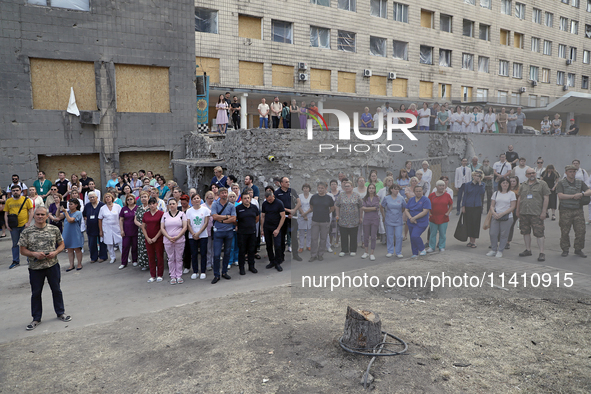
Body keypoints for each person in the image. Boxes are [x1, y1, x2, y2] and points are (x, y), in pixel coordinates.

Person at [18, 206, 71, 331]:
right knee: (36, 293)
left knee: (56, 290)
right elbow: (22, 250)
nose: (40, 216)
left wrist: (56, 252)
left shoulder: (54, 229)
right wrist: (34, 254)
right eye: (38, 214)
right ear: (34, 216)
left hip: (52, 265)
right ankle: (36, 318)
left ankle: (60, 313)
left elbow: (62, 244)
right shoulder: (27, 232)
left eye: (42, 214)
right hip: (35, 267)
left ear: (47, 216)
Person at [516, 168, 550, 261]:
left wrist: (544, 211)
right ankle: (528, 249)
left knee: (539, 233)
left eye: (533, 173)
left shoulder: (542, 184)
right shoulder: (523, 185)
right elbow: (519, 198)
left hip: (536, 213)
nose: (532, 175)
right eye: (529, 173)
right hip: (524, 212)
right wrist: (518, 210)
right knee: (525, 232)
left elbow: (546, 198)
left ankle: (541, 252)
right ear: (526, 175)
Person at [557, 165, 591, 258]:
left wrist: (582, 194)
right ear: (566, 172)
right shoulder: (561, 183)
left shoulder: (580, 182)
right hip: (565, 210)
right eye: (570, 171)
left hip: (578, 210)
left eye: (574, 171)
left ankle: (578, 249)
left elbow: (589, 191)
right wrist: (573, 196)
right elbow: (560, 195)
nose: (572, 173)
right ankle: (565, 249)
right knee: (565, 231)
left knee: (581, 231)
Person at [486, 177, 516, 258]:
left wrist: (503, 213)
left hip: (507, 216)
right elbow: (492, 205)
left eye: (506, 183)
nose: (505, 184)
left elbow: (512, 206)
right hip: (496, 216)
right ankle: (493, 249)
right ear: (500, 184)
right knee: (493, 233)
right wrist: (494, 213)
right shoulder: (496, 193)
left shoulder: (511, 194)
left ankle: (500, 250)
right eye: (503, 183)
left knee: (504, 234)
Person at [4, 185, 33, 269]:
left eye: (17, 190)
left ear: (21, 191)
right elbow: (6, 213)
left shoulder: (26, 200)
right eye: (13, 191)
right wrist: (7, 224)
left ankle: (29, 259)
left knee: (27, 243)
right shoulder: (8, 201)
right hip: (13, 226)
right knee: (15, 244)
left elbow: (31, 211)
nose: (15, 192)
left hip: (24, 225)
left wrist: (28, 222)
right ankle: (15, 261)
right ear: (11, 192)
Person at [210, 187, 236, 283]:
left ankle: (224, 272)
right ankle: (216, 275)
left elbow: (233, 219)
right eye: (223, 193)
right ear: (219, 194)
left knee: (227, 253)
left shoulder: (231, 206)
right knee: (216, 255)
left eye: (226, 193)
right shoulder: (215, 204)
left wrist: (221, 220)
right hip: (218, 232)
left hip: (229, 232)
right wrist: (226, 217)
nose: (225, 194)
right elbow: (214, 216)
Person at [274, 177, 302, 262]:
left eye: (288, 182)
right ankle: (281, 257)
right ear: (281, 183)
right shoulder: (277, 193)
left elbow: (299, 202)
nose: (288, 183)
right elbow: (277, 205)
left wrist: (293, 211)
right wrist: (288, 211)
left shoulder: (292, 191)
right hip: (283, 219)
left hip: (292, 219)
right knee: (282, 238)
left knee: (294, 237)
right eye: (286, 182)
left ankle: (295, 255)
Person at [305, 182, 334, 262]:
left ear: (325, 189)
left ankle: (320, 254)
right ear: (317, 188)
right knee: (314, 238)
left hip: (325, 221)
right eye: (319, 188)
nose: (320, 189)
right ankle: (313, 255)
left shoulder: (329, 198)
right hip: (315, 221)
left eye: (322, 188)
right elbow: (311, 207)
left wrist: (326, 213)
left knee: (323, 239)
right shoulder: (314, 197)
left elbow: (332, 208)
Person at [160, 198, 187, 284]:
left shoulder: (182, 214)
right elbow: (162, 228)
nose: (172, 205)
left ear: (177, 204)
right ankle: (172, 276)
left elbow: (185, 227)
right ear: (168, 205)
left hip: (179, 240)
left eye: (173, 203)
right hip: (168, 240)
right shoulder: (164, 215)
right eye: (170, 204)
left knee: (178, 258)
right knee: (171, 258)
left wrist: (178, 236)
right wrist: (168, 237)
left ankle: (179, 275)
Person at [335, 181, 362, 257]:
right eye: (345, 186)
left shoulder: (356, 195)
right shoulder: (341, 195)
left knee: (353, 236)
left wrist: (360, 217)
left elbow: (361, 206)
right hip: (343, 220)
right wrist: (337, 215)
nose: (347, 188)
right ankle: (344, 250)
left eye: (348, 186)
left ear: (352, 187)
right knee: (344, 236)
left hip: (354, 220)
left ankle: (353, 250)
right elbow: (337, 205)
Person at [261, 189, 286, 271]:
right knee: (268, 245)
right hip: (267, 227)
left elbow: (283, 216)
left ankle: (277, 262)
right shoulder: (264, 204)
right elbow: (263, 216)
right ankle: (272, 261)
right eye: (268, 200)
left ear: (273, 196)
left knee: (278, 245)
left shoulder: (279, 203)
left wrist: (278, 229)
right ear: (265, 198)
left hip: (276, 227)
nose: (270, 201)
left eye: (271, 199)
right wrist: (262, 229)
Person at [235, 193, 259, 275]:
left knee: (251, 250)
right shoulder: (238, 208)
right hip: (242, 233)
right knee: (242, 251)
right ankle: (241, 268)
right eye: (245, 198)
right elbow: (235, 220)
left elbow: (257, 218)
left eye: (248, 198)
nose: (247, 199)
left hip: (252, 232)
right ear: (241, 199)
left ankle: (251, 266)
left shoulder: (254, 207)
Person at [142, 197, 164, 282]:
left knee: (159, 256)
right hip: (148, 238)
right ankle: (152, 275)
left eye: (153, 203)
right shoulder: (146, 214)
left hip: (158, 238)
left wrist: (155, 237)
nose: (152, 205)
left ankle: (160, 274)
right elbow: (143, 227)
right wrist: (147, 237)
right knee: (150, 257)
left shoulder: (161, 213)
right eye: (150, 204)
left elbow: (162, 227)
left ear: (157, 204)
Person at [427, 180, 453, 253]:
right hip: (433, 217)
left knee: (442, 233)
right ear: (436, 187)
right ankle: (431, 247)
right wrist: (429, 213)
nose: (441, 187)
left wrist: (448, 212)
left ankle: (442, 246)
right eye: (440, 185)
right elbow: (427, 204)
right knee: (433, 233)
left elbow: (451, 204)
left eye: (443, 185)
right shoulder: (432, 195)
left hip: (443, 217)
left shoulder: (447, 195)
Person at [380, 184, 406, 258]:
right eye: (395, 189)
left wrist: (400, 213)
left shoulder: (401, 198)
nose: (397, 191)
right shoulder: (386, 198)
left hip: (398, 220)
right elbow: (382, 206)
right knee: (389, 236)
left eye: (398, 189)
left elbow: (404, 207)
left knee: (399, 236)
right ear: (391, 190)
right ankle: (390, 251)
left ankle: (398, 251)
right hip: (389, 219)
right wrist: (383, 216)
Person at [405, 185, 431, 257]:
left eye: (420, 191)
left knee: (415, 236)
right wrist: (410, 218)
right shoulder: (411, 200)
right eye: (417, 191)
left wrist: (414, 218)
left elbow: (425, 211)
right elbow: (406, 210)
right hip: (411, 222)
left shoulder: (426, 200)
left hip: (421, 222)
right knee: (412, 238)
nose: (418, 192)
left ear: (422, 191)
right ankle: (415, 253)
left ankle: (422, 249)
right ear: (414, 192)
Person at [462, 171, 485, 248]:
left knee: (475, 223)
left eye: (478, 176)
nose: (476, 177)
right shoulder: (468, 184)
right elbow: (465, 195)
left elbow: (482, 192)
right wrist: (463, 206)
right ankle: (470, 240)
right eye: (475, 175)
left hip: (477, 206)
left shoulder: (482, 184)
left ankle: (474, 241)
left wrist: (479, 183)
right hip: (469, 206)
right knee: (469, 223)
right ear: (473, 176)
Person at [98, 193, 122, 264]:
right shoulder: (102, 208)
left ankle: (124, 256)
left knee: (121, 242)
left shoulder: (117, 206)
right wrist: (101, 231)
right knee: (109, 243)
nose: (108, 198)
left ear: (112, 198)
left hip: (117, 227)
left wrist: (122, 227)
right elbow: (100, 219)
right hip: (107, 228)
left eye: (109, 197)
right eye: (106, 197)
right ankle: (112, 257)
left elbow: (121, 217)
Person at [61, 199, 84, 271]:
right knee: (69, 249)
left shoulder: (78, 212)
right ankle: (71, 265)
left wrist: (65, 212)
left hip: (75, 232)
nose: (69, 206)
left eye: (71, 204)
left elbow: (70, 220)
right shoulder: (67, 212)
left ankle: (79, 263)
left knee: (77, 249)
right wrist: (59, 209)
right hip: (67, 232)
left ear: (76, 205)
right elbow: (58, 216)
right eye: (69, 204)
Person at [84, 191, 107, 263]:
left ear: (97, 197)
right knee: (92, 243)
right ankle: (93, 257)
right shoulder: (87, 206)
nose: (92, 198)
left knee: (102, 242)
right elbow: (84, 215)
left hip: (101, 227)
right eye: (90, 197)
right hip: (91, 227)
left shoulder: (102, 205)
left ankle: (103, 256)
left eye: (93, 197)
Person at [118, 194, 138, 269]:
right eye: (128, 199)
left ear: (134, 200)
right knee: (125, 246)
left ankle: (135, 260)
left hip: (135, 230)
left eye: (131, 199)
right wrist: (121, 230)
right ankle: (123, 262)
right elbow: (121, 220)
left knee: (135, 246)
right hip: (126, 231)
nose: (129, 201)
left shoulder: (137, 208)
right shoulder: (123, 209)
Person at [361, 184, 380, 260]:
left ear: (375, 189)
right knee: (366, 236)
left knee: (373, 236)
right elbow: (363, 208)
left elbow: (377, 207)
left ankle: (372, 252)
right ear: (368, 189)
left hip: (375, 218)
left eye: (373, 188)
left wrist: (368, 208)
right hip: (366, 218)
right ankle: (366, 252)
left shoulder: (377, 198)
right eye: (370, 188)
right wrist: (373, 208)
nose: (371, 189)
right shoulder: (365, 198)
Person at [297, 183, 312, 252]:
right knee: (301, 233)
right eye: (304, 188)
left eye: (307, 188)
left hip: (310, 215)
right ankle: (301, 246)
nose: (305, 189)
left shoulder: (312, 196)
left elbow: (312, 206)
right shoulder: (299, 196)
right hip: (301, 215)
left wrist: (306, 214)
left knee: (309, 232)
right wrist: (303, 214)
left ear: (309, 189)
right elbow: (298, 206)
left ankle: (308, 245)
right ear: (302, 189)